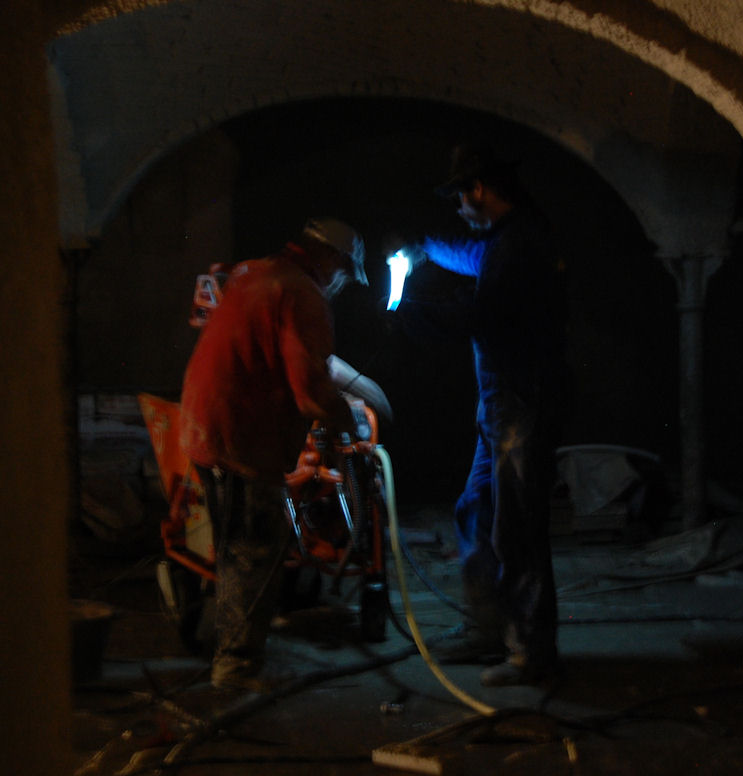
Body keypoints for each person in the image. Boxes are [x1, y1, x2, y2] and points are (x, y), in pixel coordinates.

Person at [399, 143, 569, 686]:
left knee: (516, 529)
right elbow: (471, 258)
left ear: (478, 190)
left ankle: (529, 652)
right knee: (476, 510)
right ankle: (487, 628)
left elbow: (480, 313)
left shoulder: (519, 244)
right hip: (502, 406)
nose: (458, 211)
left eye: (459, 199)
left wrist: (410, 312)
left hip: (521, 403)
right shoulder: (506, 241)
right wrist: (427, 248)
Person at [179, 217, 367, 689]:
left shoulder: (257, 272)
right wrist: (344, 419)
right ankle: (236, 668)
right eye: (344, 271)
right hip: (240, 435)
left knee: (234, 546)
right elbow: (310, 392)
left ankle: (229, 650)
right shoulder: (302, 293)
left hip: (207, 423)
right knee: (254, 549)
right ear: (330, 258)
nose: (340, 281)